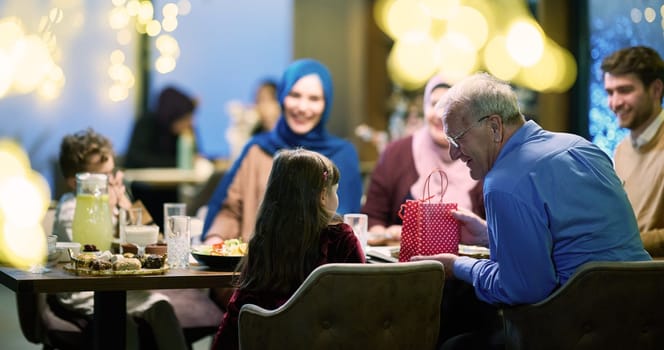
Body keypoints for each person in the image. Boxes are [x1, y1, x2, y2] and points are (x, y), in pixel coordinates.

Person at [412, 73, 652, 349]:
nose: (453, 153)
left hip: (580, 328)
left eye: (458, 139)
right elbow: (574, 238)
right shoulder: (581, 147)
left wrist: (457, 265)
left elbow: (525, 288)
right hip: (645, 316)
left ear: (494, 127)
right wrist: (488, 235)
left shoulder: (503, 181)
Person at [211, 148, 366, 350]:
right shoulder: (340, 238)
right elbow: (361, 299)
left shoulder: (264, 241)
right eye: (335, 191)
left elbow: (236, 313)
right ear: (322, 196)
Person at [51, 128, 188, 350]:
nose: (112, 182)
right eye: (103, 178)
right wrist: (108, 209)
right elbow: (87, 251)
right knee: (120, 322)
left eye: (112, 174)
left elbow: (156, 239)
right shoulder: (72, 208)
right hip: (83, 289)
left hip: (119, 284)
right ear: (75, 183)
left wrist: (128, 208)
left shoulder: (117, 203)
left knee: (161, 306)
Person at [202, 58, 363, 243]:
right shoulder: (258, 149)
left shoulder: (342, 155)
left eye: (314, 99)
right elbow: (230, 211)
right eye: (294, 95)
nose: (302, 107)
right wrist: (215, 239)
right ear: (282, 96)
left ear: (326, 104)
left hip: (319, 268)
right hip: (258, 266)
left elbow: (345, 225)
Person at [361, 75, 483, 244]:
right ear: (425, 108)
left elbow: (498, 230)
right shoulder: (396, 153)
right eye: (434, 104)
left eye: (451, 105)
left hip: (466, 267)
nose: (441, 114)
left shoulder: (481, 158)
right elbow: (372, 219)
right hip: (404, 267)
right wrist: (387, 234)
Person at [601, 45, 664, 257]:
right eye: (610, 92)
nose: (615, 103)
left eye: (625, 90)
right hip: (626, 274)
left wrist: (620, 240)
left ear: (656, 90)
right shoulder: (622, 150)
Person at [124, 86, 198, 231]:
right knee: (150, 232)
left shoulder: (185, 132)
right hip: (143, 195)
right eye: (186, 117)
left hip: (171, 194)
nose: (190, 122)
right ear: (173, 114)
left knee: (172, 228)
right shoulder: (146, 123)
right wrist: (176, 163)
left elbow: (194, 157)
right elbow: (134, 159)